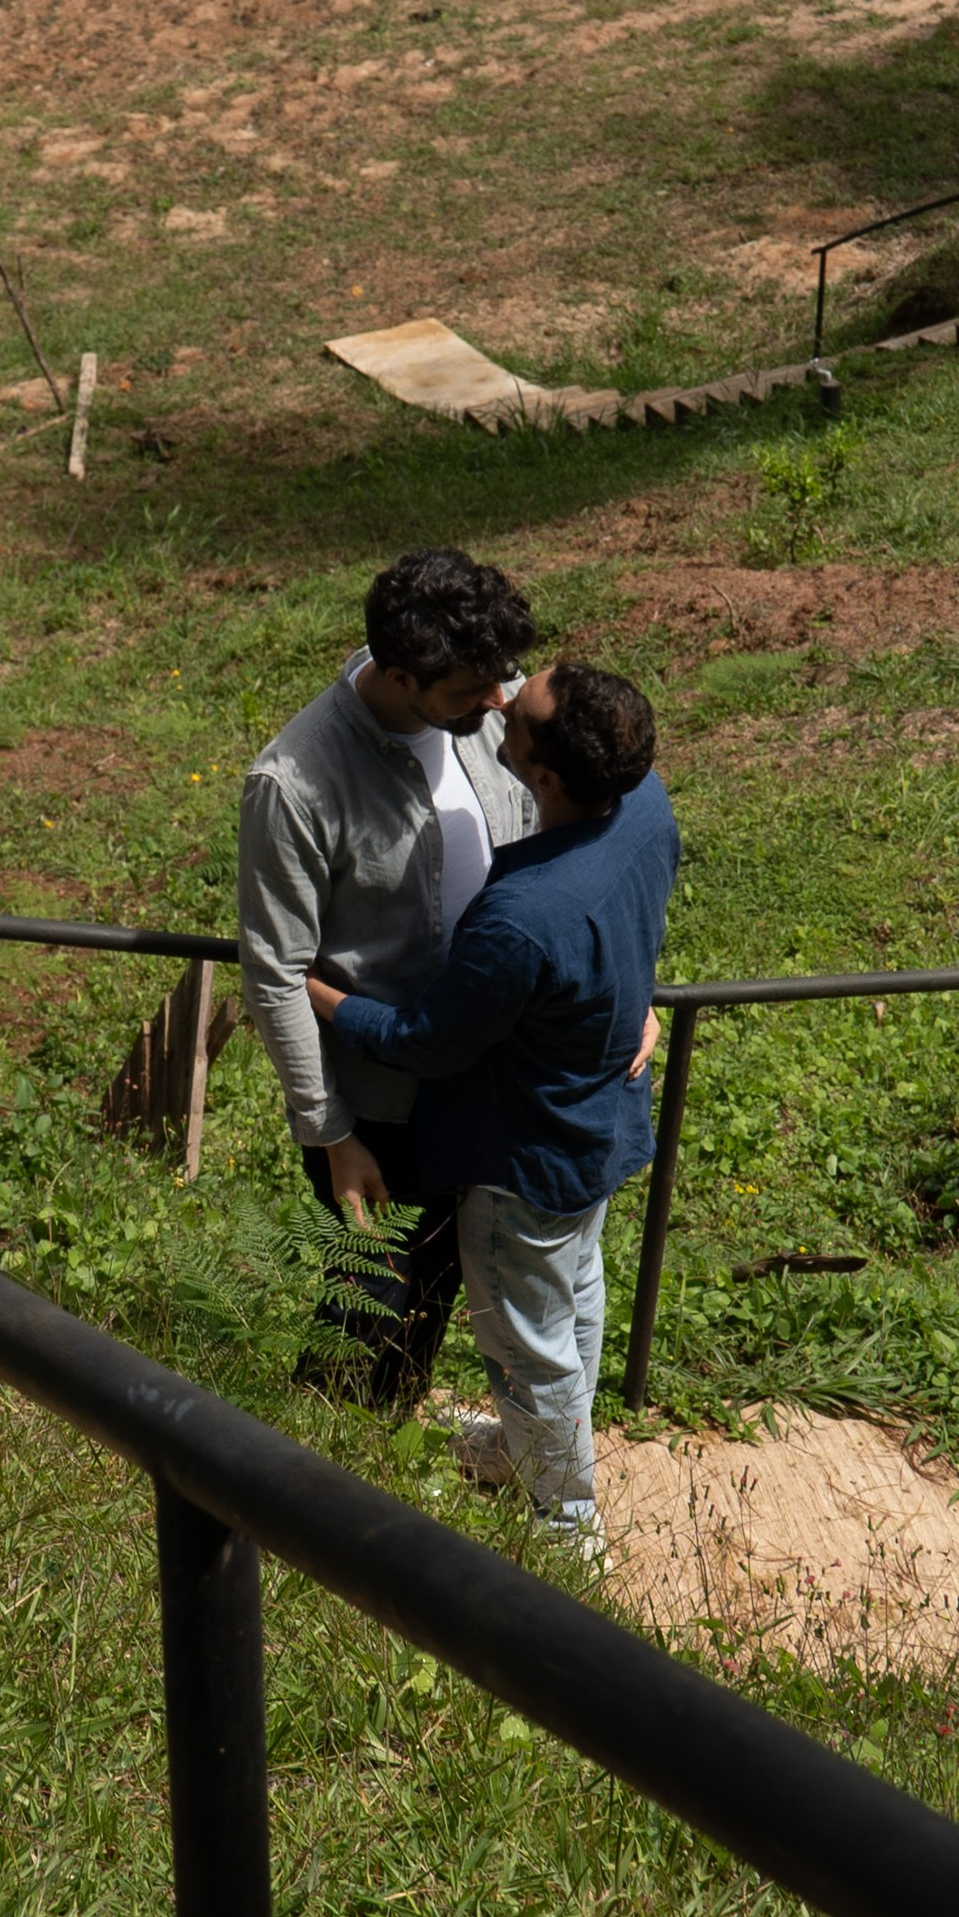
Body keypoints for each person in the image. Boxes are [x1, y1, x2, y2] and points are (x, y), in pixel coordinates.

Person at [305, 662, 676, 1556]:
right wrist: (636, 999)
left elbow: (432, 1039)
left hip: (523, 1162)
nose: (504, 700)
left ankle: (566, 1525)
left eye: (524, 709)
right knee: (575, 1297)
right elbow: (633, 917)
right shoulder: (646, 802)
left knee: (526, 1341)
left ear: (542, 777)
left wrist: (321, 999)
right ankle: (524, 1455)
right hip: (599, 1127)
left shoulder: (522, 917)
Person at [237, 548, 534, 1405]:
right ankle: (308, 1487)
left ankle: (383, 1464)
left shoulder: (483, 716)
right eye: (470, 690)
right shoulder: (294, 785)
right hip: (378, 1110)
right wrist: (331, 1135)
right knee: (366, 1307)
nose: (497, 703)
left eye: (500, 679)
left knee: (434, 1291)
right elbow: (275, 974)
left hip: (480, 1082)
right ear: (400, 676)